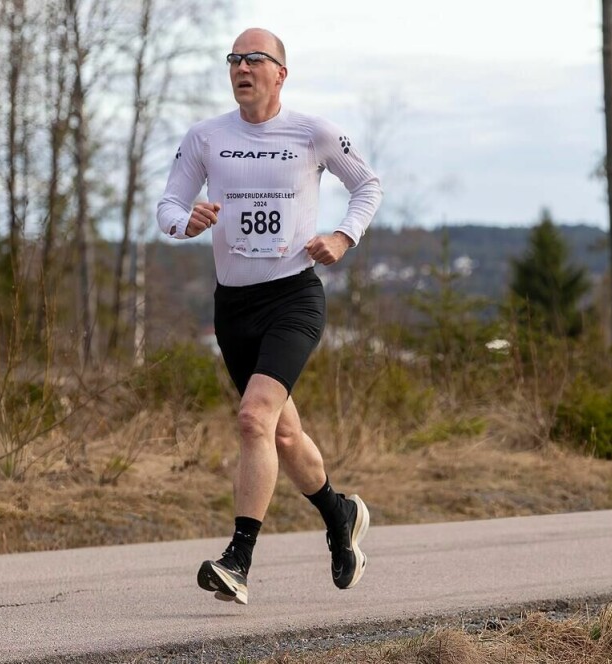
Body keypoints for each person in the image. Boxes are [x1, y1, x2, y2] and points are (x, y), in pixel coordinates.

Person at [156, 27, 382, 605]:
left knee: (254, 418)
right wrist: (188, 223)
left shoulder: (313, 133)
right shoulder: (206, 137)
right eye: (233, 59)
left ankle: (239, 559)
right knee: (282, 431)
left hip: (293, 298)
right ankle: (339, 514)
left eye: (254, 59)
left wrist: (342, 235)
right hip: (233, 307)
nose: (242, 67)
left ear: (281, 72)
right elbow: (168, 205)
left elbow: (367, 184)